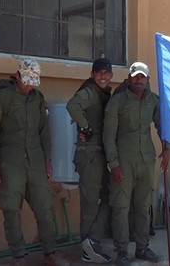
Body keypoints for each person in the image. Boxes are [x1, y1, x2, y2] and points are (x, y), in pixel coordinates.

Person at [0, 59, 69, 266]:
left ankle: (50, 253)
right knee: (11, 209)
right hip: (10, 162)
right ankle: (19, 256)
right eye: (26, 81)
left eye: (33, 81)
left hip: (36, 162)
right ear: (18, 75)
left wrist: (47, 160)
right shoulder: (2, 98)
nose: (30, 85)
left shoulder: (38, 99)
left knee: (45, 207)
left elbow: (44, 132)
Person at [103, 62, 170, 265]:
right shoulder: (118, 102)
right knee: (121, 207)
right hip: (124, 161)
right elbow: (109, 136)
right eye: (136, 77)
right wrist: (113, 163)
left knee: (144, 206)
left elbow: (162, 124)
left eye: (142, 77)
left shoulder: (153, 100)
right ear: (130, 78)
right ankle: (122, 251)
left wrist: (168, 147)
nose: (139, 80)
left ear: (148, 79)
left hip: (146, 161)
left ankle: (142, 248)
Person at [66, 58, 113, 263]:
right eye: (99, 73)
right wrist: (86, 128)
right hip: (90, 155)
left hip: (99, 154)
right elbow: (72, 105)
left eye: (106, 73)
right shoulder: (91, 92)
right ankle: (88, 247)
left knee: (111, 195)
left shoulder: (102, 94)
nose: (102, 76)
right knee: (90, 202)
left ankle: (92, 240)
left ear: (111, 75)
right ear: (93, 74)